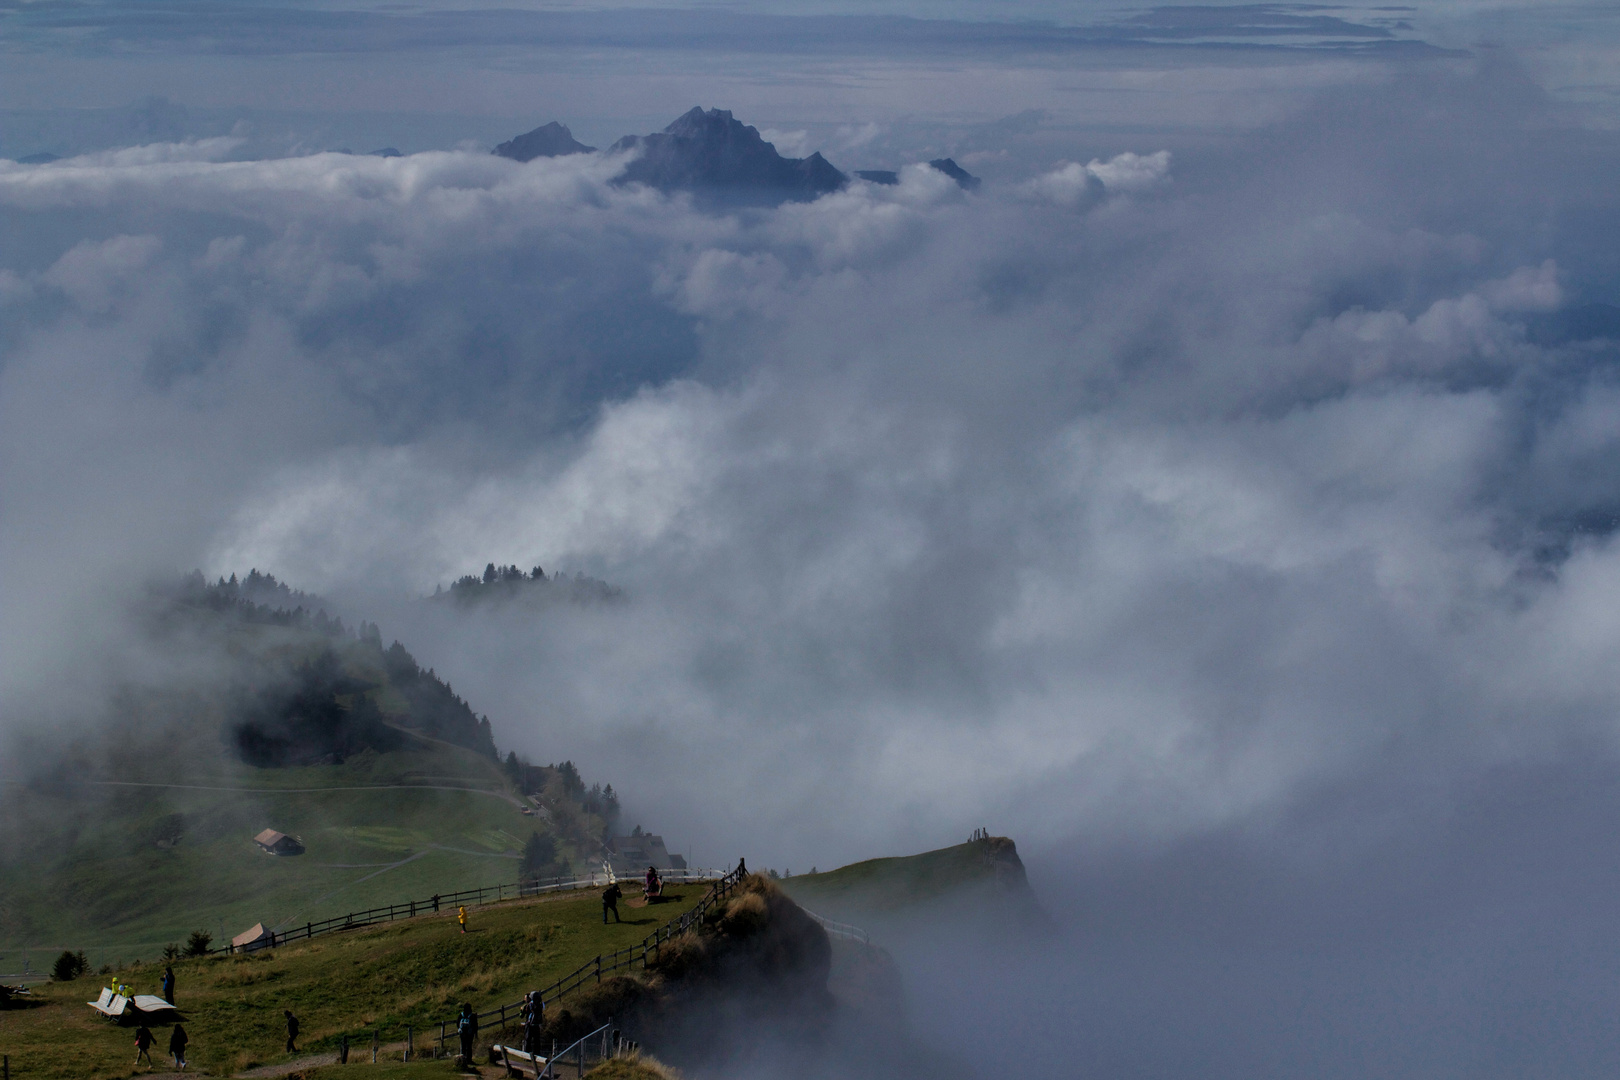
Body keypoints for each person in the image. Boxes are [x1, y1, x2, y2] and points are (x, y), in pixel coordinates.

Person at [521, 991, 543, 1055]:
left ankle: (527, 1055)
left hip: (530, 1024)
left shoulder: (530, 1005)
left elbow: (522, 1015)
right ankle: (537, 1054)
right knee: (537, 1040)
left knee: (528, 1039)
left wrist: (522, 1009)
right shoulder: (540, 1004)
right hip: (537, 1024)